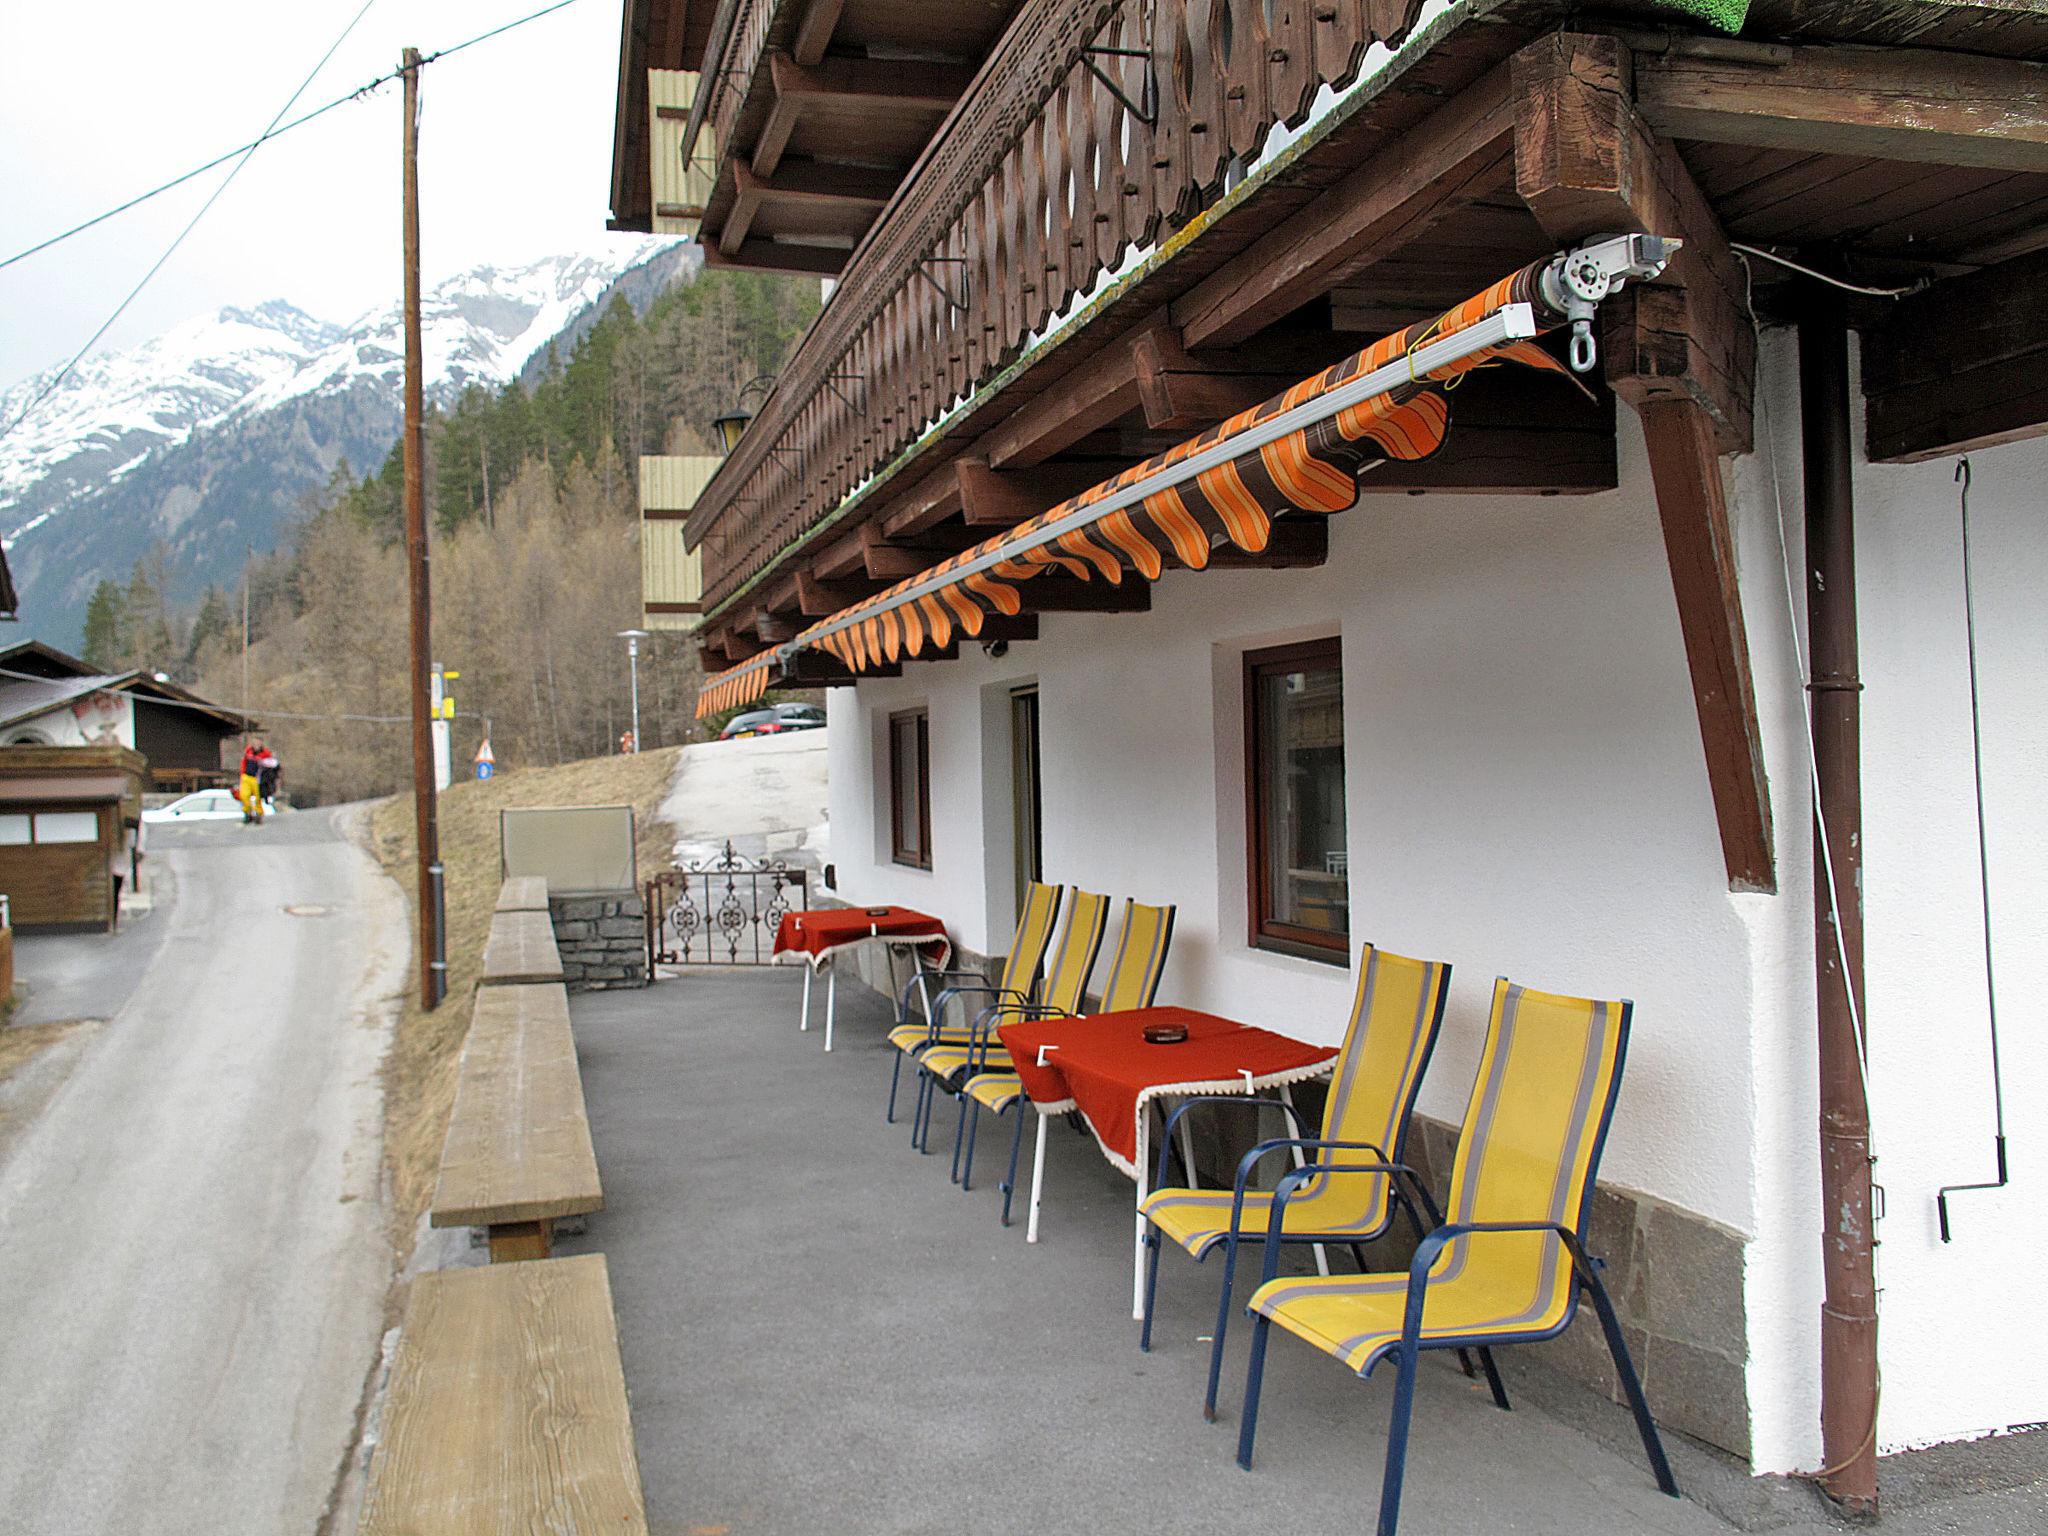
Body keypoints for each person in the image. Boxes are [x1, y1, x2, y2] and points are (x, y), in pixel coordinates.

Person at [238, 741, 264, 824]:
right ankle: (247, 812)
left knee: (258, 797)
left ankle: (258, 814)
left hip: (256, 778)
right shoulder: (248, 751)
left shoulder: (264, 754)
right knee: (244, 796)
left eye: (258, 744)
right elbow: (243, 762)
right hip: (246, 776)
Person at [255, 746, 280, 819]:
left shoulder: (274, 763)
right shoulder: (263, 761)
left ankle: (267, 802)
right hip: (263, 780)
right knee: (263, 792)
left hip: (270, 780)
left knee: (269, 791)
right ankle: (261, 809)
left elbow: (278, 771)